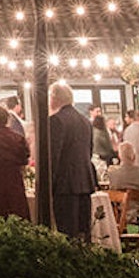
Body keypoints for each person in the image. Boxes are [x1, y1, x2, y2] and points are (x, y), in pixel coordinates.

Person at [45, 83, 96, 240]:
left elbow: (53, 156)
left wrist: (48, 185)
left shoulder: (56, 121)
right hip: (85, 182)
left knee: (67, 233)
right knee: (83, 231)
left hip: (65, 184)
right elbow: (89, 151)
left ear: (54, 98)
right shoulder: (85, 121)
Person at [107, 142, 139, 226]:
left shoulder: (113, 174)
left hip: (120, 215)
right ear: (134, 156)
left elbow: (113, 194)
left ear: (120, 156)